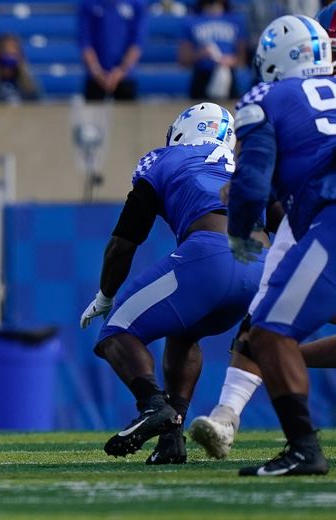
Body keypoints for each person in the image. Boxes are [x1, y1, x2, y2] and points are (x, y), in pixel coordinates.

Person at [80, 102, 267, 465]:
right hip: (259, 266)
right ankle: (171, 440)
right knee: (183, 334)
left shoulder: (164, 157)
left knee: (116, 331)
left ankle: (153, 405)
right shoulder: (245, 165)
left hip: (211, 255)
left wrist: (105, 294)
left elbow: (124, 241)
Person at [212, 14, 335, 476]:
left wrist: (242, 230)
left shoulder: (266, 97)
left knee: (267, 332)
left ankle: (304, 449)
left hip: (330, 215)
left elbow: (252, 177)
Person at [78, 0, 147, 101]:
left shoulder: (137, 4)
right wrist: (98, 72)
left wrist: (120, 72)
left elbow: (137, 43)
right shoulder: (88, 4)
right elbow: (85, 43)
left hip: (126, 78)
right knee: (94, 113)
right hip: (95, 78)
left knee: (127, 115)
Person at [179, 0, 247, 101]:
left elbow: (243, 58)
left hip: (229, 77)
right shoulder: (191, 21)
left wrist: (231, 60)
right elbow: (183, 59)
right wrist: (200, 54)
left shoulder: (235, 20)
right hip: (201, 78)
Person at [0, 33, 40, 103]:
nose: (9, 52)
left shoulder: (30, 84)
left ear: (20, 54)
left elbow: (39, 106)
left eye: (13, 49)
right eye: (5, 49)